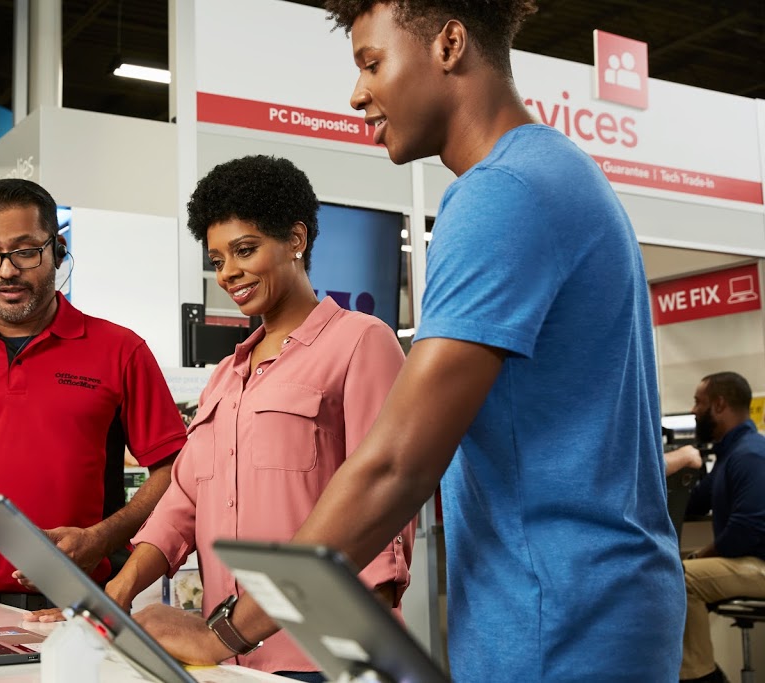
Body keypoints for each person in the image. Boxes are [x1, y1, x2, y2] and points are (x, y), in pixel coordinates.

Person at [134, 2, 686, 681]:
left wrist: (226, 630)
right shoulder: (553, 174)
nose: (358, 92)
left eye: (372, 62)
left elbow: (396, 464)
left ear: (450, 44)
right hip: (577, 603)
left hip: (559, 615)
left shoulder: (501, 194)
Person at [90, 155, 412, 681]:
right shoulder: (226, 375)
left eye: (245, 250)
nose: (229, 274)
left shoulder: (361, 342)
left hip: (323, 657)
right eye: (217, 259)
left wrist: (361, 657)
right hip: (226, 659)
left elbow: (382, 501)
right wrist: (120, 589)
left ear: (295, 239)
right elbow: (185, 501)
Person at [0, 178, 188, 608]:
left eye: (25, 251)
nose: (7, 270)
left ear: (57, 249)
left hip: (83, 599)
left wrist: (102, 538)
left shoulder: (121, 351)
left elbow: (173, 470)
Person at [679, 372, 765, 683]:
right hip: (748, 562)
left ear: (718, 405)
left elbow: (747, 528)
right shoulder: (732, 454)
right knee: (672, 566)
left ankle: (702, 677)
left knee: (681, 577)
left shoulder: (750, 454)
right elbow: (696, 503)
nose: (693, 411)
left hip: (759, 565)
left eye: (697, 403)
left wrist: (699, 555)